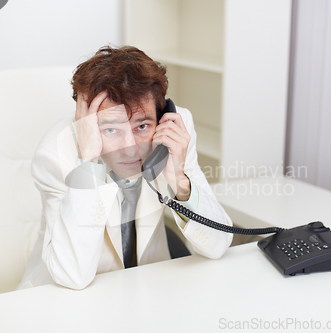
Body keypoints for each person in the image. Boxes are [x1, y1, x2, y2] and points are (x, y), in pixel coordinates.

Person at [17, 46, 233, 290]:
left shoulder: (174, 133)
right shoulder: (55, 155)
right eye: (111, 130)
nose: (130, 149)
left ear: (162, 117)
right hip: (64, 301)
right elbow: (72, 276)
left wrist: (180, 180)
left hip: (148, 292)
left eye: (141, 127)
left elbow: (218, 245)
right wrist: (87, 165)